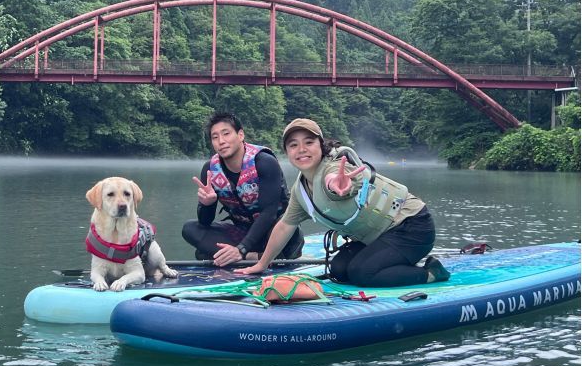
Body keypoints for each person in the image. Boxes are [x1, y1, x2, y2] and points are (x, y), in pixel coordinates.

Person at [236, 118, 450, 286]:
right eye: (293, 145)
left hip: (412, 227)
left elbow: (340, 181)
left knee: (362, 272)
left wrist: (339, 186)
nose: (301, 149)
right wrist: (263, 263)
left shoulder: (335, 166)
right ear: (287, 152)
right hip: (380, 235)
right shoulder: (301, 189)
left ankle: (431, 273)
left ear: (321, 146)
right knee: (339, 270)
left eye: (309, 142)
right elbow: (284, 226)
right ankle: (393, 261)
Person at [182, 112, 304, 267]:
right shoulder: (210, 170)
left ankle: (249, 256)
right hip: (242, 231)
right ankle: (253, 256)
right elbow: (205, 222)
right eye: (215, 137)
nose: (221, 141)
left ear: (240, 135)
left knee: (287, 230)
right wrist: (207, 204)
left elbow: (269, 212)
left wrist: (241, 249)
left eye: (226, 134)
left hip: (274, 230)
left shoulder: (264, 162)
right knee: (190, 229)